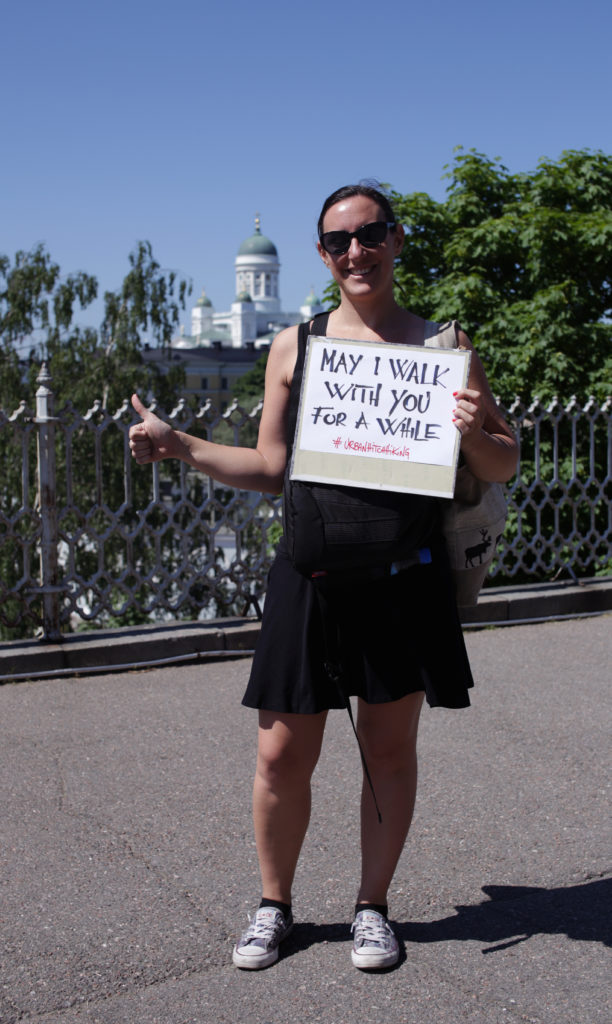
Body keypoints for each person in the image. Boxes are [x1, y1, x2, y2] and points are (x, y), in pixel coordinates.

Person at [128, 183, 518, 972]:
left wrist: (476, 430)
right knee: (279, 754)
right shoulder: (296, 346)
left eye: (371, 234)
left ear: (396, 240)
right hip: (308, 574)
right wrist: (182, 446)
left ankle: (372, 907)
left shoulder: (442, 345)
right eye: (339, 241)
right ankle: (275, 906)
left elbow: (503, 461)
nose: (356, 252)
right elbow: (273, 467)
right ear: (320, 256)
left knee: (387, 750)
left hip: (403, 576)